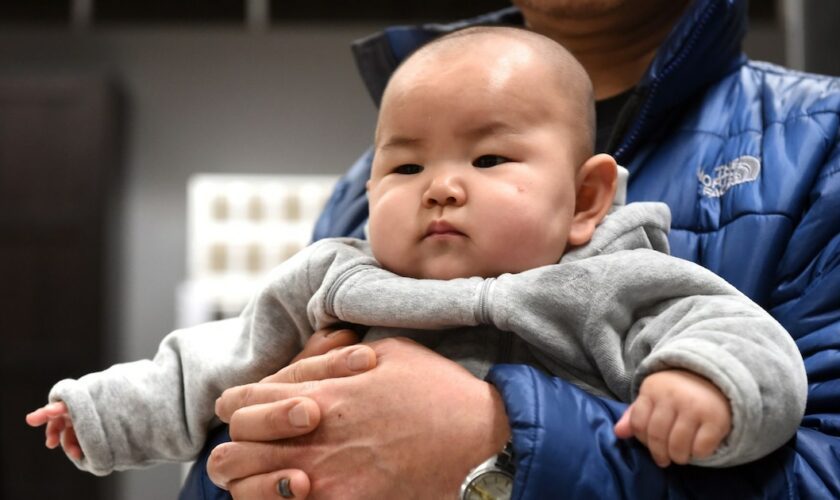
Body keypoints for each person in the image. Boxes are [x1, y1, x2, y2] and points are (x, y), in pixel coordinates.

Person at [27, 26, 806, 494]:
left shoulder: (618, 284)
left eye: (490, 159)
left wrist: (704, 383)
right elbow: (212, 362)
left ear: (586, 201)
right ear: (366, 188)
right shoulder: (336, 278)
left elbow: (746, 340)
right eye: (404, 169)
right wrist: (100, 413)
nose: (440, 188)